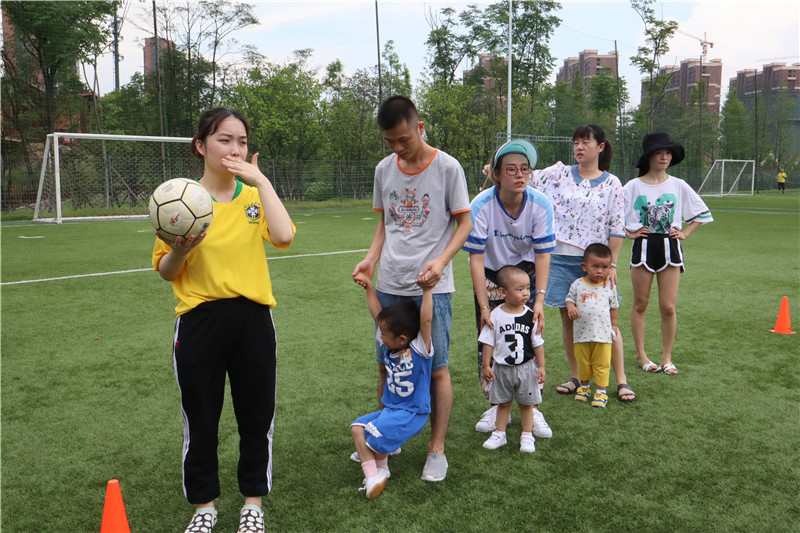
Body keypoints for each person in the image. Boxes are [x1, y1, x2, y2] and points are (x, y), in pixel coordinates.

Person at [152, 107, 294, 533]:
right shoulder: (178, 198)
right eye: (224, 139)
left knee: (256, 415)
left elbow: (285, 236)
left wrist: (262, 182)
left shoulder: (254, 196)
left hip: (252, 320)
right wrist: (182, 247)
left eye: (242, 141)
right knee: (201, 419)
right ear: (201, 146)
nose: (234, 148)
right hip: (199, 321)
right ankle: (204, 507)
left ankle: (253, 503)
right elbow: (165, 270)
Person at [351, 95, 472, 482]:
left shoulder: (449, 167)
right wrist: (371, 259)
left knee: (436, 369)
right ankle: (389, 436)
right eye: (390, 141)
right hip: (389, 283)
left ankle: (436, 449)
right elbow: (384, 224)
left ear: (419, 128)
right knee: (386, 364)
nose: (398, 148)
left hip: (432, 286)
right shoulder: (384, 170)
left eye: (404, 139)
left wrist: (440, 262)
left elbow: (464, 225)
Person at [529, 125, 636, 402]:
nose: (579, 147)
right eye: (576, 142)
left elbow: (616, 226)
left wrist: (611, 265)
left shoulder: (613, 183)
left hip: (595, 264)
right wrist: (497, 167)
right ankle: (577, 377)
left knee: (606, 320)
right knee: (570, 318)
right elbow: (525, 177)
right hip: (558, 259)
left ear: (600, 147)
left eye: (585, 142)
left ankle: (621, 380)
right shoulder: (558, 173)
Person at [462, 139, 555, 437]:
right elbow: (475, 259)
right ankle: (495, 401)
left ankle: (532, 406)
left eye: (525, 169)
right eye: (511, 169)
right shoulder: (481, 205)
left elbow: (543, 254)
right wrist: (485, 308)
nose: (519, 175)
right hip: (490, 273)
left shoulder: (540, 204)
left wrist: (539, 299)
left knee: (529, 334)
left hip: (526, 273)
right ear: (497, 174)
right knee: (490, 337)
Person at [624, 132, 713, 375]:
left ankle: (666, 358)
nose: (664, 157)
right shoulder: (633, 186)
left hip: (670, 248)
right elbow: (612, 215)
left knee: (668, 307)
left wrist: (685, 233)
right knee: (640, 304)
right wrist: (630, 233)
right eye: (659, 152)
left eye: (668, 153)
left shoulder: (678, 185)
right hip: (642, 248)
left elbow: (701, 214)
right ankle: (642, 356)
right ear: (649, 156)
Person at [350, 272, 433, 499]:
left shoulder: (419, 350)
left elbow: (426, 320)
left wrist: (427, 291)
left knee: (369, 435)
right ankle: (381, 471)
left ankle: (371, 475)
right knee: (357, 427)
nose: (380, 335)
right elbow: (377, 316)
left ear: (403, 338)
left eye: (384, 333)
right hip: (392, 411)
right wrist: (369, 287)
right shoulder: (390, 345)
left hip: (411, 413)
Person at [479, 266, 546, 453]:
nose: (525, 293)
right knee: (503, 403)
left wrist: (541, 366)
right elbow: (488, 342)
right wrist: (486, 364)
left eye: (527, 288)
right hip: (501, 368)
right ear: (502, 292)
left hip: (525, 368)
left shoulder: (530, 315)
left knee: (526, 404)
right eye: (519, 289)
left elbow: (537, 343)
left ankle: (527, 434)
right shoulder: (495, 315)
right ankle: (500, 433)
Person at [565, 243, 619, 408]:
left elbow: (614, 306)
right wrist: (571, 307)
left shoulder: (609, 286)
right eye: (595, 266)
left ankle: (601, 391)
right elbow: (569, 299)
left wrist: (614, 326)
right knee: (583, 363)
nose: (600, 271)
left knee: (602, 364)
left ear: (609, 268)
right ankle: (584, 387)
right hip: (581, 334)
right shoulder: (577, 284)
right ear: (584, 266)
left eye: (604, 267)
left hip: (602, 335)